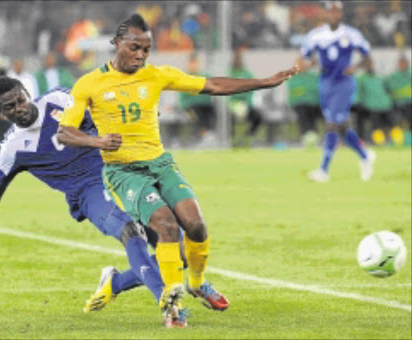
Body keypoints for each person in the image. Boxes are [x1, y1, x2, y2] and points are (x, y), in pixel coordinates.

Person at [57, 14, 297, 328]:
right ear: (116, 44)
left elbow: (211, 84)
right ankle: (173, 306)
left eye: (146, 49)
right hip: (123, 171)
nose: (141, 55)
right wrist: (98, 140)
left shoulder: (156, 75)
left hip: (160, 163)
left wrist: (265, 82)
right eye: (134, 48)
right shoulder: (89, 83)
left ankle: (196, 283)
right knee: (166, 225)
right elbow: (64, 132)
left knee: (196, 226)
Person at [0, 76, 166, 324]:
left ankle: (115, 283)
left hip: (124, 174)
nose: (20, 108)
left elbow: (102, 108)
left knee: (175, 246)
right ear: (1, 113)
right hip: (88, 192)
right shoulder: (13, 148)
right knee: (130, 231)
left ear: (26, 93)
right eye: (10, 107)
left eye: (21, 100)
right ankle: (170, 309)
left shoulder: (58, 99)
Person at [301, 1, 375, 182]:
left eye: (337, 12)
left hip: (343, 82)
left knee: (331, 123)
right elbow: (304, 57)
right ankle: (365, 156)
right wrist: (309, 64)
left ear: (341, 14)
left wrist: (355, 68)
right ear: (326, 14)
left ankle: (323, 170)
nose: (334, 15)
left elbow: (367, 56)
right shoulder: (316, 35)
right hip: (325, 82)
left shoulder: (351, 34)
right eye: (331, 11)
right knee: (340, 126)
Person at [179, 54, 216, 145]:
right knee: (197, 116)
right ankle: (202, 138)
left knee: (214, 112)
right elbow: (182, 97)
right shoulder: (184, 77)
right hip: (190, 107)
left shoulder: (204, 76)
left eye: (195, 63)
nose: (193, 66)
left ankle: (210, 136)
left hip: (205, 105)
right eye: (191, 63)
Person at [229, 48, 263, 146]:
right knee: (228, 119)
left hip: (246, 104)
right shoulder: (229, 73)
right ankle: (232, 139)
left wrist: (246, 103)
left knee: (258, 117)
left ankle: (247, 137)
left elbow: (252, 89)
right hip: (233, 104)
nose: (237, 61)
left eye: (239, 59)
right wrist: (234, 102)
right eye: (236, 59)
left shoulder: (247, 74)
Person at [358, 58, 395, 143]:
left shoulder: (381, 77)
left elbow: (389, 89)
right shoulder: (361, 79)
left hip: (386, 105)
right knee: (376, 125)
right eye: (367, 65)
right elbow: (360, 93)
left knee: (393, 124)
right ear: (364, 67)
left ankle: (397, 142)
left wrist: (390, 100)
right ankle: (379, 143)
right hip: (372, 106)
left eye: (371, 64)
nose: (369, 67)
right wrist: (362, 104)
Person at [286, 57, 321, 139]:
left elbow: (319, 88)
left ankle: (312, 134)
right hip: (299, 103)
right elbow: (295, 91)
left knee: (313, 114)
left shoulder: (313, 76)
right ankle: (307, 134)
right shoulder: (292, 77)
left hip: (315, 104)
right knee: (303, 112)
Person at [385, 56, 411, 132]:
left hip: (409, 102)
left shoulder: (410, 74)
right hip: (397, 102)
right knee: (397, 121)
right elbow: (389, 87)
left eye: (404, 63)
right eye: (400, 64)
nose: (402, 65)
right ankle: (398, 136)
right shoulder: (394, 75)